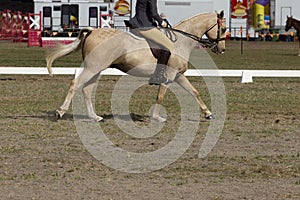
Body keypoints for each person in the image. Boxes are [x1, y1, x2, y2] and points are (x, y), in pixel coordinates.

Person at [129, 0, 174, 85]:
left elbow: (146, 10)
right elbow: (153, 13)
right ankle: (158, 76)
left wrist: (158, 19)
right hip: (144, 25)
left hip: (139, 22)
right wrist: (162, 22)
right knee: (169, 45)